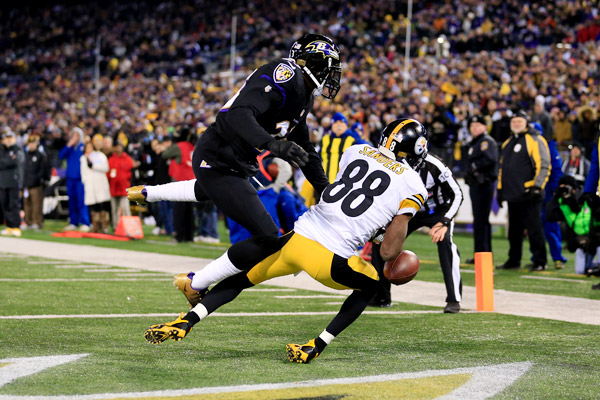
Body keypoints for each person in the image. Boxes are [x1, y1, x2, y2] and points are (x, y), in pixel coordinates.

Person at [143, 118, 429, 363]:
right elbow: (390, 250)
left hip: (298, 238)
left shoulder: (356, 151)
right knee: (371, 286)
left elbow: (345, 196)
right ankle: (317, 344)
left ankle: (186, 321)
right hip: (332, 258)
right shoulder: (413, 184)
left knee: (242, 280)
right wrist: (387, 236)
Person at [127, 33, 339, 246]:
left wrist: (326, 191)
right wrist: (272, 144)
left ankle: (148, 192)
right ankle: (198, 280)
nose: (329, 75)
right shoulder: (285, 74)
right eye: (325, 67)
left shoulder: (304, 96)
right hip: (218, 152)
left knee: (208, 190)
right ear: (310, 62)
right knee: (268, 235)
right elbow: (238, 113)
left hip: (238, 159)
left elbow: (306, 151)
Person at [370, 150, 463, 312]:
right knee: (381, 241)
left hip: (437, 212)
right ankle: (380, 295)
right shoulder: (393, 163)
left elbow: (457, 193)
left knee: (445, 242)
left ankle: (454, 299)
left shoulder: (435, 164)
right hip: (407, 212)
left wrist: (444, 222)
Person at [496, 110, 551, 271]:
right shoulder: (507, 143)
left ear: (526, 123)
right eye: (514, 122)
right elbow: (502, 169)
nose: (516, 124)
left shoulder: (535, 139)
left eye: (520, 121)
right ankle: (514, 260)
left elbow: (544, 165)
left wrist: (537, 187)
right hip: (512, 195)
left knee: (534, 231)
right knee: (514, 233)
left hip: (529, 194)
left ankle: (540, 261)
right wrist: (500, 190)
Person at [463, 115, 498, 262]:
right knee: (479, 220)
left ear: (485, 127)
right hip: (476, 184)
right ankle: (480, 254)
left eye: (478, 125)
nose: (474, 128)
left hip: (484, 184)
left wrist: (474, 167)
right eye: (472, 125)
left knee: (481, 220)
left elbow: (490, 159)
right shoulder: (475, 142)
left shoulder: (486, 141)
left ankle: (483, 254)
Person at [59, 127, 90, 232]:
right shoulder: (70, 148)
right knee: (72, 201)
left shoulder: (83, 147)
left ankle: (85, 222)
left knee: (82, 201)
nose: (75, 137)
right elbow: (60, 155)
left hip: (80, 178)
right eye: (73, 135)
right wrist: (69, 144)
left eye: (77, 135)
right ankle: (73, 222)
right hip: (70, 178)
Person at [80, 141, 111, 233]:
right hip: (90, 185)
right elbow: (83, 172)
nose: (89, 149)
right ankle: (95, 226)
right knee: (93, 206)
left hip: (100, 184)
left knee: (102, 205)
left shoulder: (100, 156)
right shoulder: (83, 158)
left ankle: (104, 226)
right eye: (87, 147)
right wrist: (85, 181)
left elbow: (106, 168)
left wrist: (94, 166)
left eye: (90, 147)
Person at [0, 129, 25, 237]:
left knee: (13, 204)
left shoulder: (17, 149)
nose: (8, 140)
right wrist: (9, 161)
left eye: (10, 138)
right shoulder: (2, 150)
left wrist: (7, 162)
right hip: (2, 181)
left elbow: (16, 161)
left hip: (14, 181)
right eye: (6, 138)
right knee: (4, 204)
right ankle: (9, 226)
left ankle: (16, 226)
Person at [22, 135, 49, 230]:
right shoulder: (25, 155)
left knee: (36, 204)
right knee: (27, 204)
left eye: (33, 143)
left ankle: (37, 221)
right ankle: (27, 221)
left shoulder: (40, 155)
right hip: (26, 184)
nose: (31, 145)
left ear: (36, 144)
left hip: (36, 184)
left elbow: (42, 170)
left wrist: (39, 180)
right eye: (30, 143)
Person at [107, 142, 134, 229]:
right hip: (114, 188)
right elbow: (107, 173)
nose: (118, 149)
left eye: (119, 147)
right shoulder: (111, 160)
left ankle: (129, 227)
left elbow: (131, 172)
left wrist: (125, 178)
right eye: (117, 147)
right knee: (115, 210)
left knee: (125, 209)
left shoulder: (127, 159)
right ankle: (116, 227)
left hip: (124, 188)